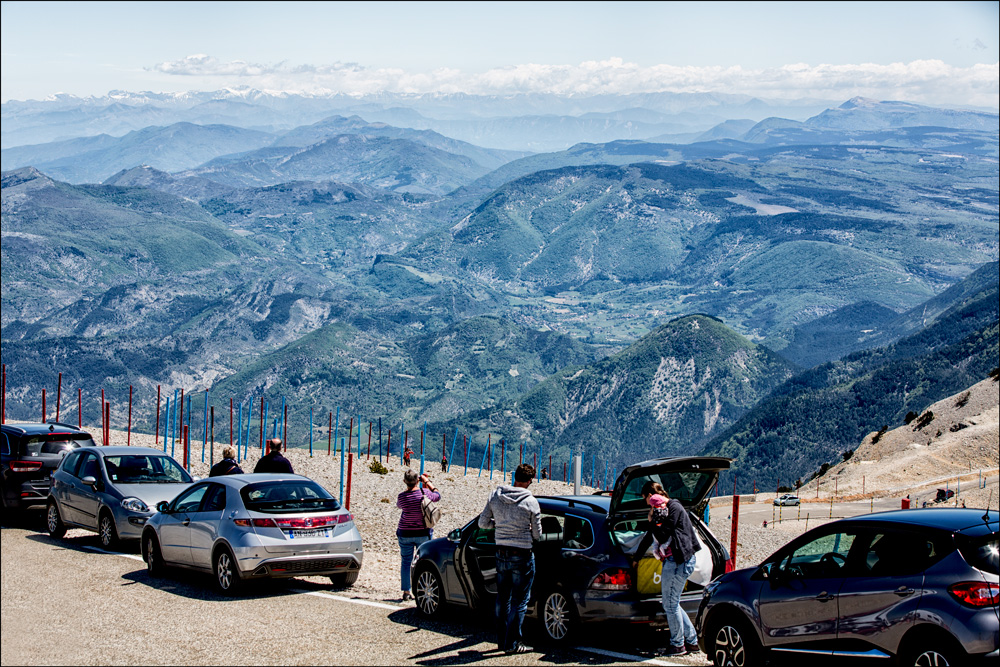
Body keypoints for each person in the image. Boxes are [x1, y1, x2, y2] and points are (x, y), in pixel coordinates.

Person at [478, 463, 542, 655]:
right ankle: (513, 642)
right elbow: (538, 534)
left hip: (501, 552)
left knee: (502, 597)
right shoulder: (531, 502)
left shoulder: (495, 496)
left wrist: (500, 526)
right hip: (522, 553)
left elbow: (482, 523)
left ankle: (501, 640)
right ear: (530, 481)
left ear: (514, 476)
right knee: (520, 600)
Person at [633, 481, 701, 657]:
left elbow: (662, 535)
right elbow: (650, 536)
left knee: (669, 604)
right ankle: (692, 641)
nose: (649, 506)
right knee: (673, 603)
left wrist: (653, 522)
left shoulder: (674, 508)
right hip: (678, 561)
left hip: (679, 561)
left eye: (647, 501)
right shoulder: (666, 509)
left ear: (650, 496)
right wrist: (637, 557)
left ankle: (678, 645)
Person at [397, 470, 440, 600]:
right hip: (423, 532)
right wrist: (427, 482)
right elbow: (437, 496)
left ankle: (406, 591)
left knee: (406, 562)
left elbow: (399, 506)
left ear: (405, 481)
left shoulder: (402, 497)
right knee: (424, 562)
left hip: (404, 533)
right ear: (417, 481)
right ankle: (423, 589)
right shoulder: (424, 493)